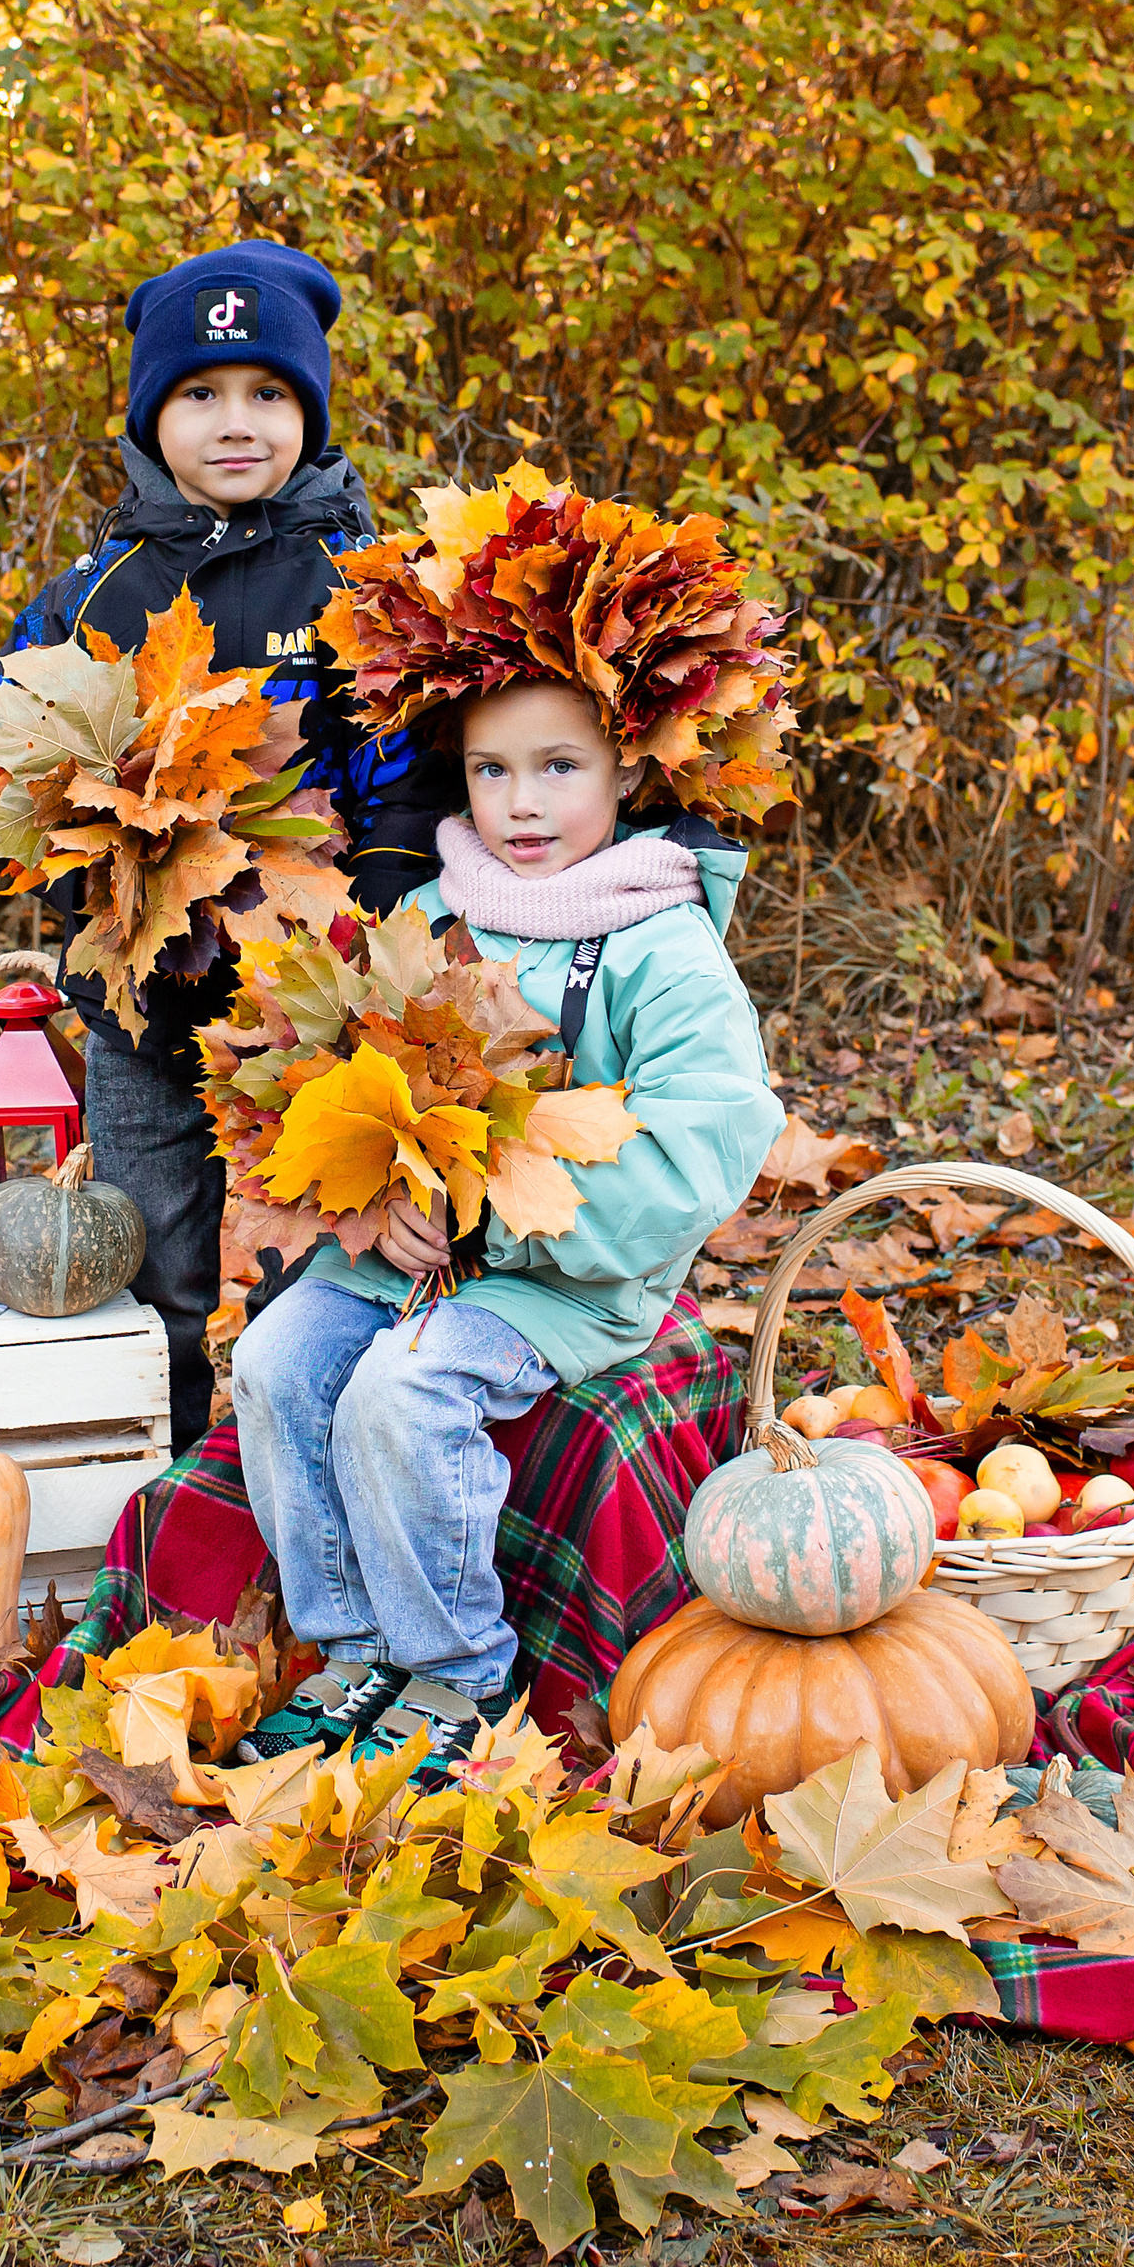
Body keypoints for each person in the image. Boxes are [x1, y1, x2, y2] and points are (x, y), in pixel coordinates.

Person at [229, 560, 789, 1776]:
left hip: (566, 1277)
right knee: (276, 1355)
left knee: (403, 1391)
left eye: (558, 768)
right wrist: (372, 1206)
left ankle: (452, 1674)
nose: (522, 804)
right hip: (404, 1261)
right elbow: (345, 1094)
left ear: (629, 771)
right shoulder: (433, 913)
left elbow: (708, 1135)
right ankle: (351, 1647)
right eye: (492, 771)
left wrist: (502, 1228)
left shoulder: (659, 941)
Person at [0, 240, 455, 1452]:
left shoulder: (362, 583)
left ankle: (303, 1464)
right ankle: (166, 1469)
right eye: (199, 393)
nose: (233, 422)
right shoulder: (94, 593)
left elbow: (407, 772)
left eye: (267, 393)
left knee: (315, 1254)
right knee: (153, 1250)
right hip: (141, 989)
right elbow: (24, 760)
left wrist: (387, 908)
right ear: (151, 415)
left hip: (313, 991)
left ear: (309, 411)